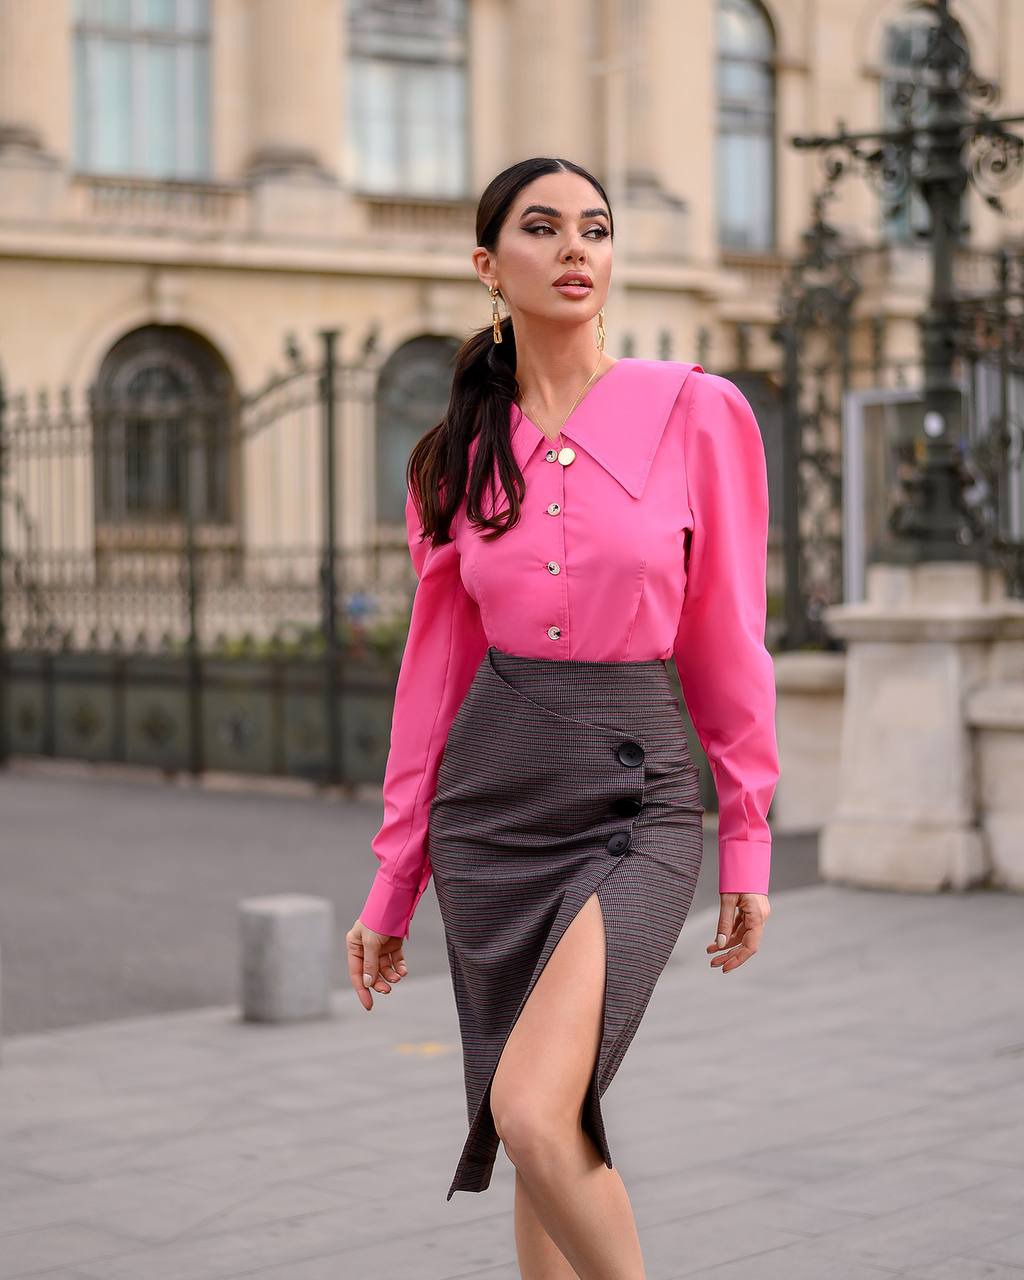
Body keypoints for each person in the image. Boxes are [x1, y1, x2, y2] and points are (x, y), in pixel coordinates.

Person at [347, 156, 779, 1277]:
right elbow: (430, 681)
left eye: (595, 226)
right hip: (492, 804)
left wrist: (748, 833)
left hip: (633, 801)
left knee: (533, 1108)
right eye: (543, 228)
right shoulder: (453, 457)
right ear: (490, 267)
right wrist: (395, 879)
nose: (576, 246)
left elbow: (727, 635)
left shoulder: (697, 412)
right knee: (549, 1119)